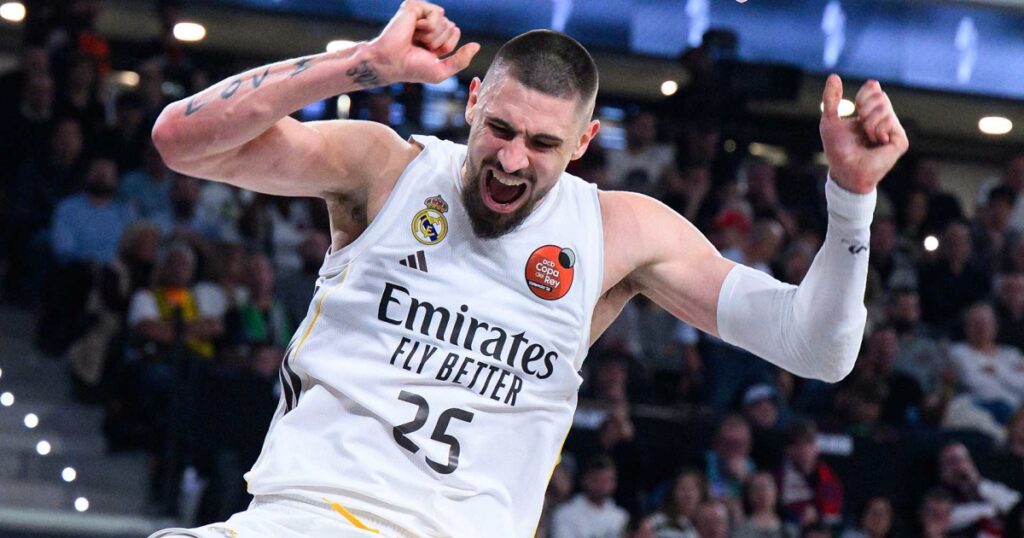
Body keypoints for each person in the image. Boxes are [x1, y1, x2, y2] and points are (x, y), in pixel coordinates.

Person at [147, 1, 908, 536]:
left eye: (542, 144)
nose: (512, 160)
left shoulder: (619, 233)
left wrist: (851, 201)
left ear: (584, 142)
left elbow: (819, 349)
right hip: (298, 520)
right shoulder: (386, 169)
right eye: (501, 129)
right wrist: (362, 64)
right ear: (473, 101)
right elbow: (181, 141)